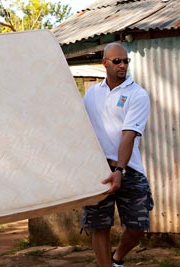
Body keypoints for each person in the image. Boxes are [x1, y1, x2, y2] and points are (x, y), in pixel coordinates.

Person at [82, 43, 154, 267]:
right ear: (105, 63)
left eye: (126, 61)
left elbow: (129, 135)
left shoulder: (137, 94)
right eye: (117, 61)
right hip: (97, 170)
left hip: (128, 169)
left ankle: (117, 258)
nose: (123, 65)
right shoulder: (92, 94)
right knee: (99, 225)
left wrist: (120, 170)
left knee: (138, 224)